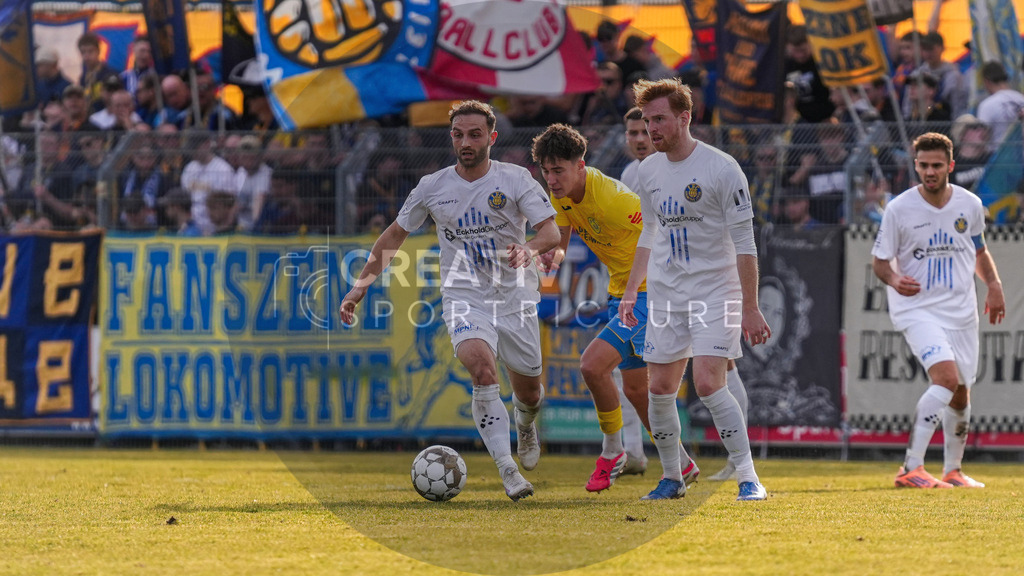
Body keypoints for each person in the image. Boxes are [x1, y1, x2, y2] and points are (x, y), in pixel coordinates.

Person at [341, 101, 560, 501]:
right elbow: (393, 236)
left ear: (492, 138)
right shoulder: (432, 187)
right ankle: (508, 470)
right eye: (458, 134)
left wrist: (528, 249)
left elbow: (550, 232)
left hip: (515, 296)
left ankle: (525, 424)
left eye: (475, 134)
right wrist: (361, 285)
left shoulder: (516, 179)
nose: (466, 142)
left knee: (528, 391)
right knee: (481, 369)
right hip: (464, 295)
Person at [620, 78, 770, 501]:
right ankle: (672, 477)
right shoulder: (647, 170)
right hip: (667, 294)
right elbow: (649, 232)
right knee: (660, 390)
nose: (651, 129)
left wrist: (751, 307)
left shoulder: (722, 169)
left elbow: (745, 243)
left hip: (715, 292)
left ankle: (748, 477)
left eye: (660, 119)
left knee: (707, 383)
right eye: (647, 121)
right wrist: (633, 290)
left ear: (685, 117)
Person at [531, 123, 699, 491]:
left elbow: (664, 234)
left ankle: (612, 451)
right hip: (619, 293)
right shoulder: (559, 194)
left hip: (650, 292)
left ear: (581, 164)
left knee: (592, 366)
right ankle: (682, 463)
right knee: (638, 391)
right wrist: (548, 261)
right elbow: (560, 242)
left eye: (559, 170)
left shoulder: (614, 200)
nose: (552, 179)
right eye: (546, 171)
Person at [871, 132, 1005, 489]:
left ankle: (953, 470)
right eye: (924, 165)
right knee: (945, 378)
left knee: (960, 392)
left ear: (950, 166)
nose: (930, 172)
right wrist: (895, 280)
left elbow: (979, 251)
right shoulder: (899, 209)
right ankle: (910, 468)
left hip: (961, 312)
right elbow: (880, 263)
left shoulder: (970, 204)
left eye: (937, 165)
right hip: (918, 310)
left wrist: (993, 285)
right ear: (915, 165)